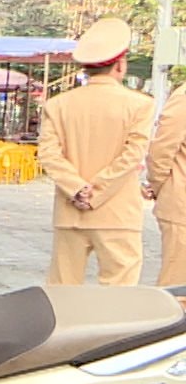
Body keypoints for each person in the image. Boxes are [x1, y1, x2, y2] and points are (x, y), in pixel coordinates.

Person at [38, 17, 152, 286]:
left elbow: (48, 154)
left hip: (70, 212)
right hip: (118, 213)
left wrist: (77, 188)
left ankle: (65, 328)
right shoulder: (139, 105)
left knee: (63, 288)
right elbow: (132, 155)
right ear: (120, 65)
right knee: (118, 291)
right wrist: (97, 191)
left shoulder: (58, 105)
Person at [145, 76, 186, 285]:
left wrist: (158, 186)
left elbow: (160, 152)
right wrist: (159, 186)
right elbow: (161, 152)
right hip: (181, 207)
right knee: (178, 286)